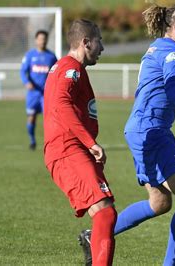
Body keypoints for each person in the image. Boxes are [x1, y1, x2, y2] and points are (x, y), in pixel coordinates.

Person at [78, 4, 175, 266]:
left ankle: (96, 235)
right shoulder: (174, 52)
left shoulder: (158, 45)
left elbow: (159, 89)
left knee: (159, 202)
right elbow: (170, 89)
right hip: (151, 132)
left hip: (141, 129)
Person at [43, 19, 116, 266]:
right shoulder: (70, 69)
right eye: (99, 41)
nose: (102, 48)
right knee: (105, 212)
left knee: (104, 214)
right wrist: (89, 142)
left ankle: (91, 246)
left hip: (72, 149)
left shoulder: (69, 68)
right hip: (67, 149)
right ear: (86, 42)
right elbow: (61, 105)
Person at [20, 30, 57, 150]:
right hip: (33, 94)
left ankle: (50, 142)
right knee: (31, 117)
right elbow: (22, 71)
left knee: (49, 119)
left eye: (44, 38)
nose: (42, 41)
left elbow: (57, 73)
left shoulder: (51, 57)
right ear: (36, 40)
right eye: (40, 38)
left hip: (46, 94)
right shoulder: (30, 55)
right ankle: (32, 140)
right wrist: (27, 82)